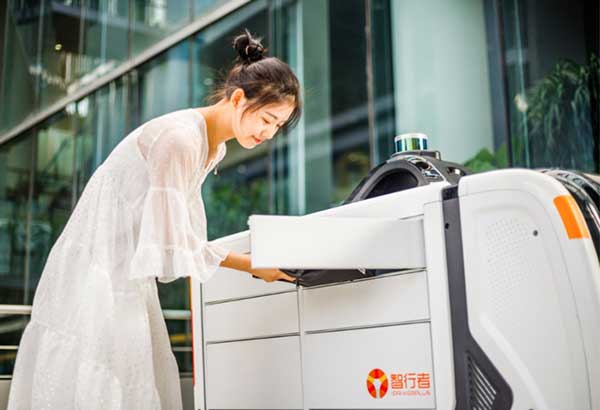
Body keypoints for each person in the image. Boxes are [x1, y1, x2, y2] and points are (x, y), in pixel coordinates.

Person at [7, 29, 301, 410]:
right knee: (101, 378)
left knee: (121, 380)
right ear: (238, 98)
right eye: (267, 119)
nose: (269, 132)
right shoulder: (180, 139)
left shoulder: (211, 146)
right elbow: (172, 244)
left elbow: (182, 236)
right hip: (96, 271)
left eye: (278, 126)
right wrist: (250, 265)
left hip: (122, 273)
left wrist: (251, 263)